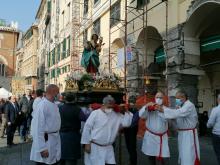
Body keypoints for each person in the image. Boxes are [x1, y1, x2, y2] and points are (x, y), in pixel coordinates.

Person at [81, 95, 133, 165]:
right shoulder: (95, 113)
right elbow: (87, 128)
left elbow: (127, 124)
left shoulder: (116, 115)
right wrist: (86, 143)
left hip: (108, 148)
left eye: (112, 107)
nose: (110, 109)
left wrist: (126, 111)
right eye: (109, 106)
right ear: (103, 104)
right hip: (95, 147)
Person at [156, 90, 200, 165]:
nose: (176, 100)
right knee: (183, 152)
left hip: (189, 134)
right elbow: (176, 116)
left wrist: (163, 110)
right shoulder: (180, 106)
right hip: (182, 133)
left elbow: (179, 113)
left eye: (177, 98)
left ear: (183, 97)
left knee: (188, 153)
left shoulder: (189, 105)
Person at [30, 84, 61, 165]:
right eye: (58, 92)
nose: (59, 95)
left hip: (54, 139)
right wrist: (42, 148)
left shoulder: (54, 105)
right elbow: (38, 128)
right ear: (53, 92)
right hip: (46, 142)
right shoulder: (42, 105)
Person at [139, 91, 170, 165]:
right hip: (151, 136)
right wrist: (146, 107)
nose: (159, 99)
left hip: (162, 137)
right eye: (157, 97)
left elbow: (166, 119)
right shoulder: (149, 108)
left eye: (160, 97)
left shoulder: (165, 109)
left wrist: (159, 110)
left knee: (163, 157)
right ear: (154, 98)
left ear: (163, 99)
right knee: (151, 156)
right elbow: (141, 115)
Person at [59, 92, 88, 165]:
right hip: (73, 136)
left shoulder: (60, 108)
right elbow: (84, 118)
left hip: (61, 135)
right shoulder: (77, 109)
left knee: (61, 157)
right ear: (74, 99)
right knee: (71, 159)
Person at [123, 97, 139, 165]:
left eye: (133, 102)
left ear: (135, 103)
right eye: (130, 102)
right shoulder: (126, 109)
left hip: (132, 130)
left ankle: (133, 162)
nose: (131, 104)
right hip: (127, 130)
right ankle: (131, 160)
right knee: (128, 146)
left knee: (132, 147)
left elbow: (134, 121)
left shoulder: (136, 111)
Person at [207, 94, 220, 165]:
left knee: (218, 153)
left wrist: (208, 126)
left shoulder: (215, 110)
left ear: (218, 100)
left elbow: (210, 123)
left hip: (217, 135)